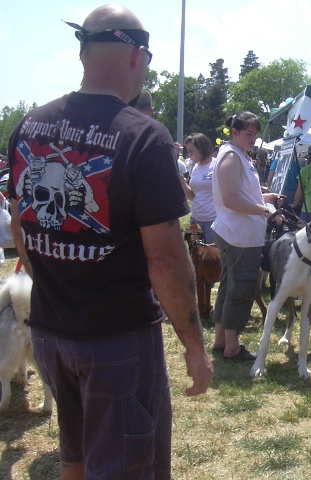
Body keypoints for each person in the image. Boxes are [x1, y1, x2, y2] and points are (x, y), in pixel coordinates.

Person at [6, 5, 213, 478]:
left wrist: (59, 284)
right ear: (137, 56)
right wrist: (195, 346)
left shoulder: (28, 127)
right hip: (118, 342)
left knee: (74, 456)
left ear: (84, 51)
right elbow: (165, 257)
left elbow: (21, 228)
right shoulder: (144, 137)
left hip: (50, 334)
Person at [211, 111, 283, 361]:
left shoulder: (238, 155)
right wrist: (265, 211)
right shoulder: (231, 156)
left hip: (238, 232)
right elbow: (230, 199)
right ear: (235, 132)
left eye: (255, 134)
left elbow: (241, 195)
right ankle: (232, 345)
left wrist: (266, 199)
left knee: (231, 286)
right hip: (237, 234)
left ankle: (222, 339)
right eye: (248, 134)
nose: (253, 138)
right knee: (241, 288)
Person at [180, 133, 216, 244]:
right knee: (196, 256)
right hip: (196, 219)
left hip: (213, 220)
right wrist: (181, 181)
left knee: (213, 257)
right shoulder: (194, 167)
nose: (189, 154)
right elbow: (192, 196)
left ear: (202, 148)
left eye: (191, 151)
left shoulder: (217, 165)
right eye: (188, 151)